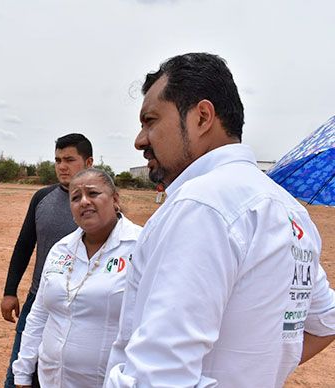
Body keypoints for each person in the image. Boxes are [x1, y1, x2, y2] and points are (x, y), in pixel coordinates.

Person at [104, 53, 335, 387]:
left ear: (202, 117)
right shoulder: (288, 210)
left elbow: (158, 379)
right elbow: (325, 320)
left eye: (150, 121)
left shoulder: (203, 205)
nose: (140, 140)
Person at [13, 169, 142, 387]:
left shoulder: (139, 246)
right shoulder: (61, 249)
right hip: (51, 380)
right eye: (75, 197)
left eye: (93, 193)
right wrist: (23, 372)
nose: (84, 202)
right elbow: (39, 314)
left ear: (115, 199)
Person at [1, 133, 94, 387]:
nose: (62, 166)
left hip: (80, 305)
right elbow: (24, 245)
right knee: (19, 373)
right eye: (57, 160)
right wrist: (10, 291)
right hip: (37, 300)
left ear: (88, 162)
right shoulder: (42, 198)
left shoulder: (99, 204)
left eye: (69, 159)